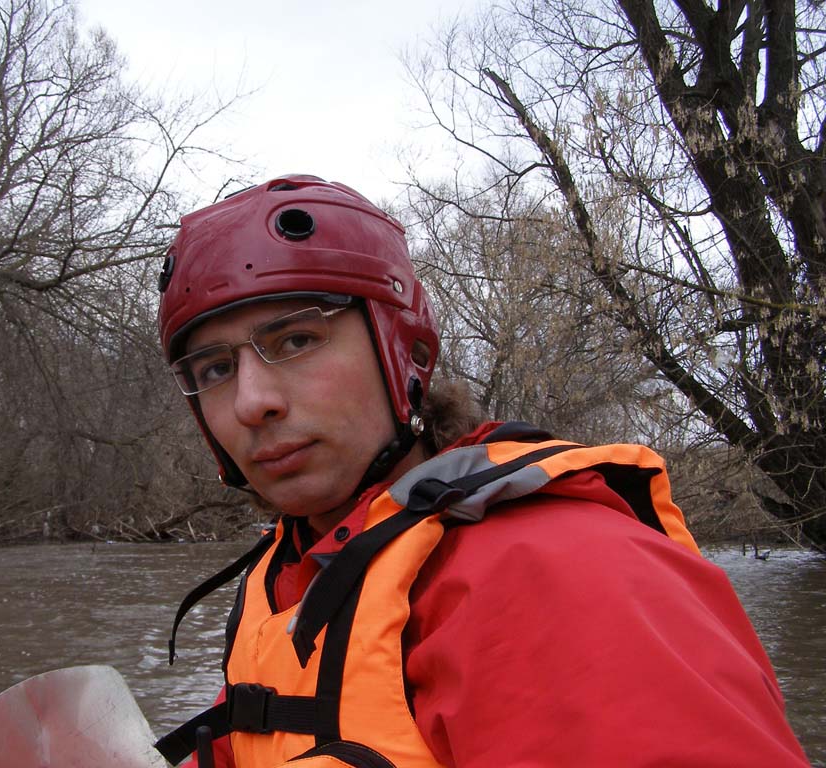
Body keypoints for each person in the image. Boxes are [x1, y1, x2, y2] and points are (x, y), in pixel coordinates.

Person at [152, 174, 810, 767]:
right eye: (216, 369)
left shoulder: (560, 570)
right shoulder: (293, 568)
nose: (251, 402)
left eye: (297, 340)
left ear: (403, 351)